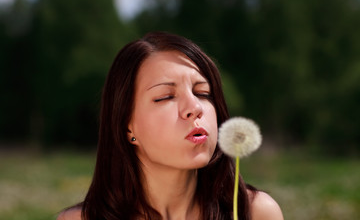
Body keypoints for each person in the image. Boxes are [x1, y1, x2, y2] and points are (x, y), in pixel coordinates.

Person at [57, 32, 283, 220]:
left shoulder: (255, 213)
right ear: (127, 126)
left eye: (203, 93)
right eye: (165, 96)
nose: (194, 107)